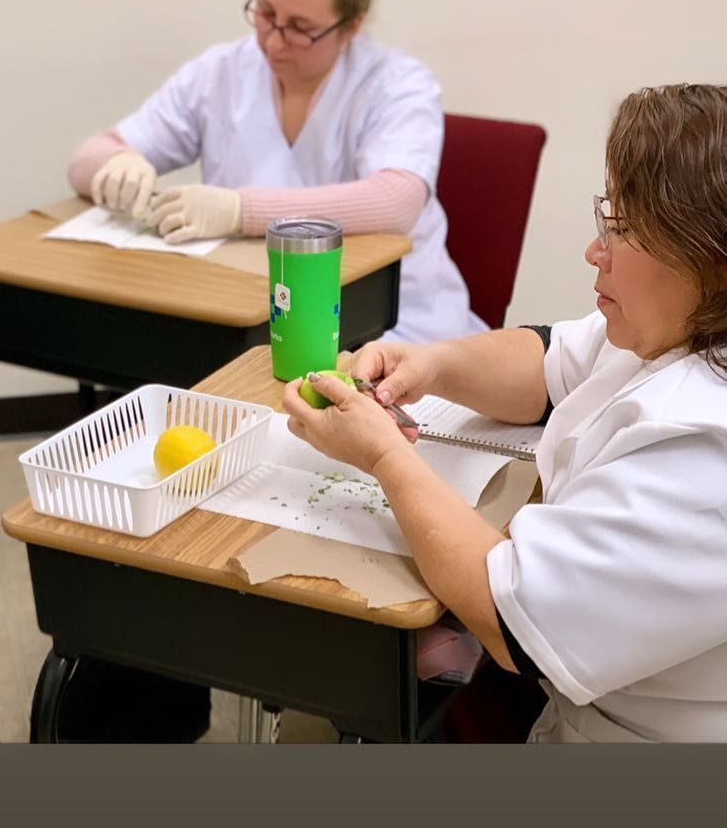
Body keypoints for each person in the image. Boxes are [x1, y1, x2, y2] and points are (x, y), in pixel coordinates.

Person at [283, 83, 727, 743]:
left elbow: (506, 617)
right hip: (576, 692)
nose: (594, 250)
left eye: (624, 230)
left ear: (707, 259)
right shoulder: (677, 328)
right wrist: (430, 365)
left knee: (323, 721)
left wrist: (384, 455)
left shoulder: (700, 450)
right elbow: (552, 361)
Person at [67, 0, 483, 343]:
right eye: (265, 13)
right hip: (255, 313)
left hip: (389, 324)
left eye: (301, 28)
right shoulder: (222, 73)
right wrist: (115, 163)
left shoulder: (395, 85)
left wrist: (239, 211)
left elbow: (396, 201)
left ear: (351, 26)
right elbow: (90, 155)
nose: (272, 40)